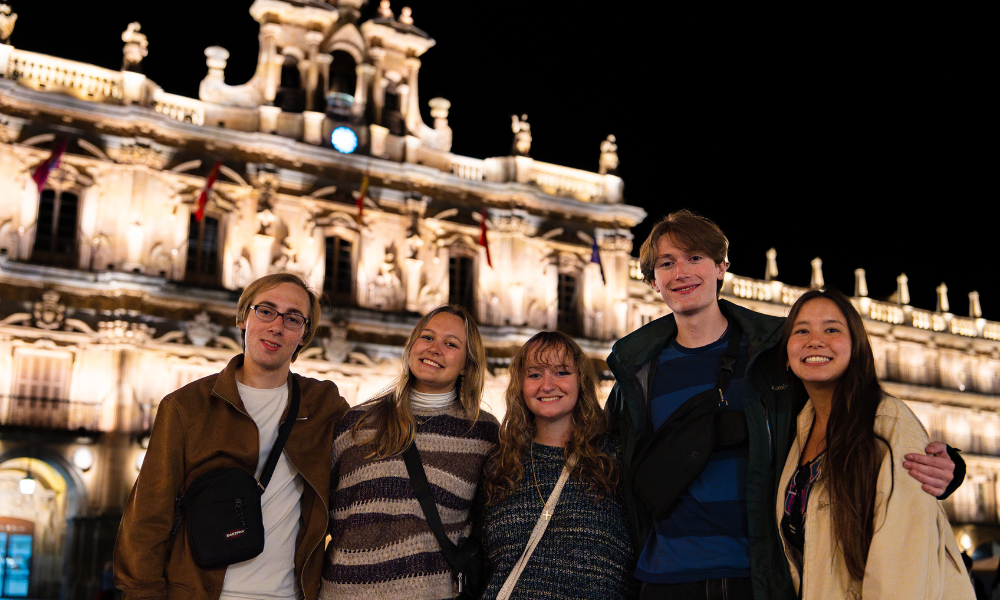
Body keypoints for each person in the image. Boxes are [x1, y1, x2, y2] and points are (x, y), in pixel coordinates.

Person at [604, 209, 964, 600]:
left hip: (763, 576)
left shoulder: (775, 357)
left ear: (721, 267)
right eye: (667, 263)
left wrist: (951, 467)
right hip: (665, 578)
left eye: (695, 258)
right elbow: (603, 461)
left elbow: (851, 411)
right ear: (653, 282)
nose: (682, 272)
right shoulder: (636, 371)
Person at [115, 273, 349, 600]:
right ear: (243, 318)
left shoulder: (323, 406)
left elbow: (380, 435)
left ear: (303, 336)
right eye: (265, 311)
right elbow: (146, 522)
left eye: (293, 319)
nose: (276, 326)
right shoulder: (186, 407)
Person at [776, 288, 973, 598]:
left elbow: (902, 564)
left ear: (857, 347)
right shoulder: (797, 429)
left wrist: (953, 466)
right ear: (786, 353)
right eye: (802, 330)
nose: (815, 340)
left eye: (831, 329)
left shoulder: (889, 422)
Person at [320, 305, 499, 599]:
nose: (434, 348)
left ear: (468, 363)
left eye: (451, 344)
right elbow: (323, 514)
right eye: (427, 337)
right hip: (344, 591)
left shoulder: (483, 433)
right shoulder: (356, 424)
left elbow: (489, 529)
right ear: (412, 344)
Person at [478, 331, 640, 599]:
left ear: (581, 382)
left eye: (562, 372)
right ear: (520, 385)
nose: (547, 385)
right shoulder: (499, 466)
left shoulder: (614, 460)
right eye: (534, 374)